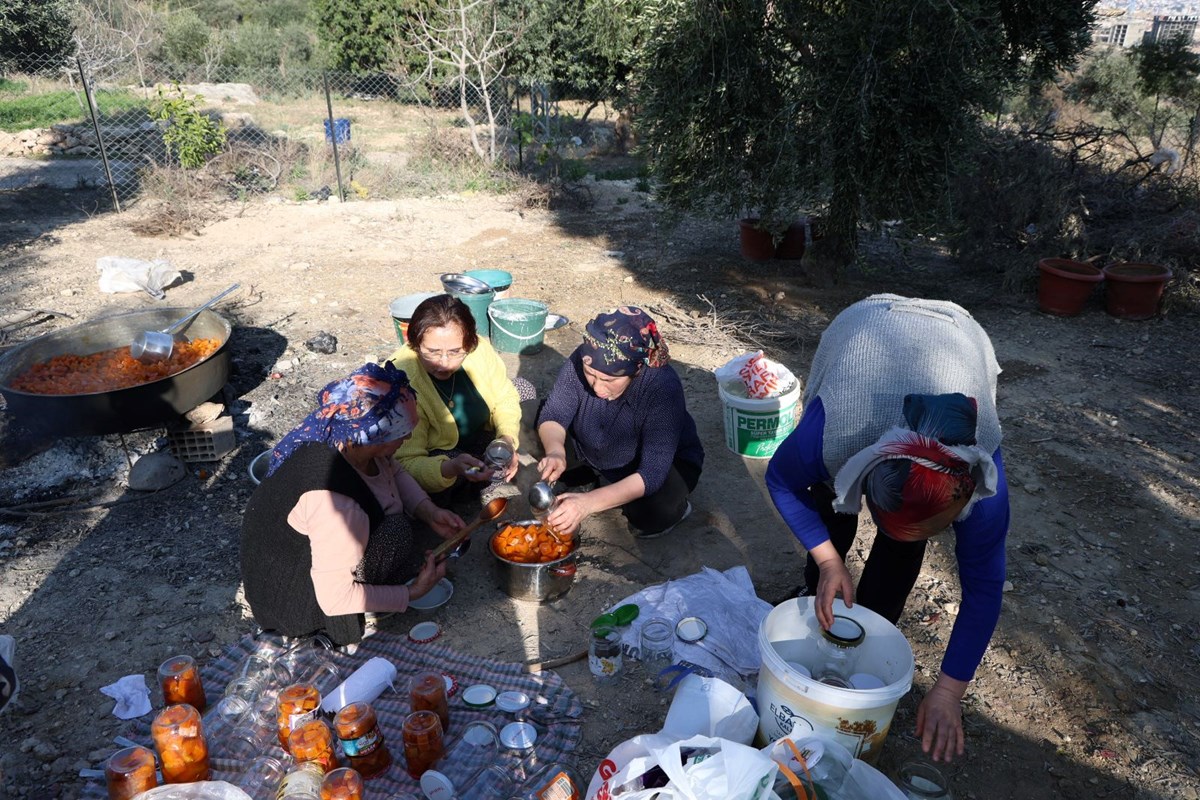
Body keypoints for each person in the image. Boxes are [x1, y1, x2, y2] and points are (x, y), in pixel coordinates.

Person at [765, 294, 1009, 764]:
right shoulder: (832, 433)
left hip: (959, 337)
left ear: (963, 498)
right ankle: (823, 587)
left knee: (901, 547)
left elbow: (984, 591)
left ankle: (871, 621)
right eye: (879, 513)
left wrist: (948, 691)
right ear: (867, 473)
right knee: (830, 509)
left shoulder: (984, 490)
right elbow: (781, 480)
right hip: (864, 331)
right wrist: (829, 560)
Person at [241, 362, 465, 646]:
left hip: (301, 563)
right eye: (402, 433)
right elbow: (335, 599)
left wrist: (428, 511)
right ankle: (367, 605)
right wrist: (411, 594)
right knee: (396, 532)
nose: (408, 438)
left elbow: (392, 470)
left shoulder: (345, 438)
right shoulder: (335, 505)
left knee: (403, 525)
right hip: (295, 602)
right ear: (375, 436)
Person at [536, 306, 704, 538]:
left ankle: (676, 506)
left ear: (635, 371)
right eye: (590, 374)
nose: (596, 386)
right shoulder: (586, 356)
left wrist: (587, 504)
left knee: (652, 513)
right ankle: (594, 477)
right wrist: (555, 452)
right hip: (592, 449)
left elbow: (652, 473)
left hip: (655, 466)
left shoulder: (662, 387)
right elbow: (555, 412)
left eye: (608, 379)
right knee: (530, 419)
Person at [387, 294, 533, 499]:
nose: (444, 363)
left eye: (456, 351)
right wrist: (450, 468)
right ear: (415, 345)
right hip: (444, 455)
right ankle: (475, 480)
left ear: (470, 343)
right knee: (456, 476)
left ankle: (490, 470)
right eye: (433, 352)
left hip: (481, 435)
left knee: (523, 389)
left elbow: (504, 396)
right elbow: (405, 461)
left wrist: (506, 440)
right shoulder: (402, 381)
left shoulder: (478, 349)